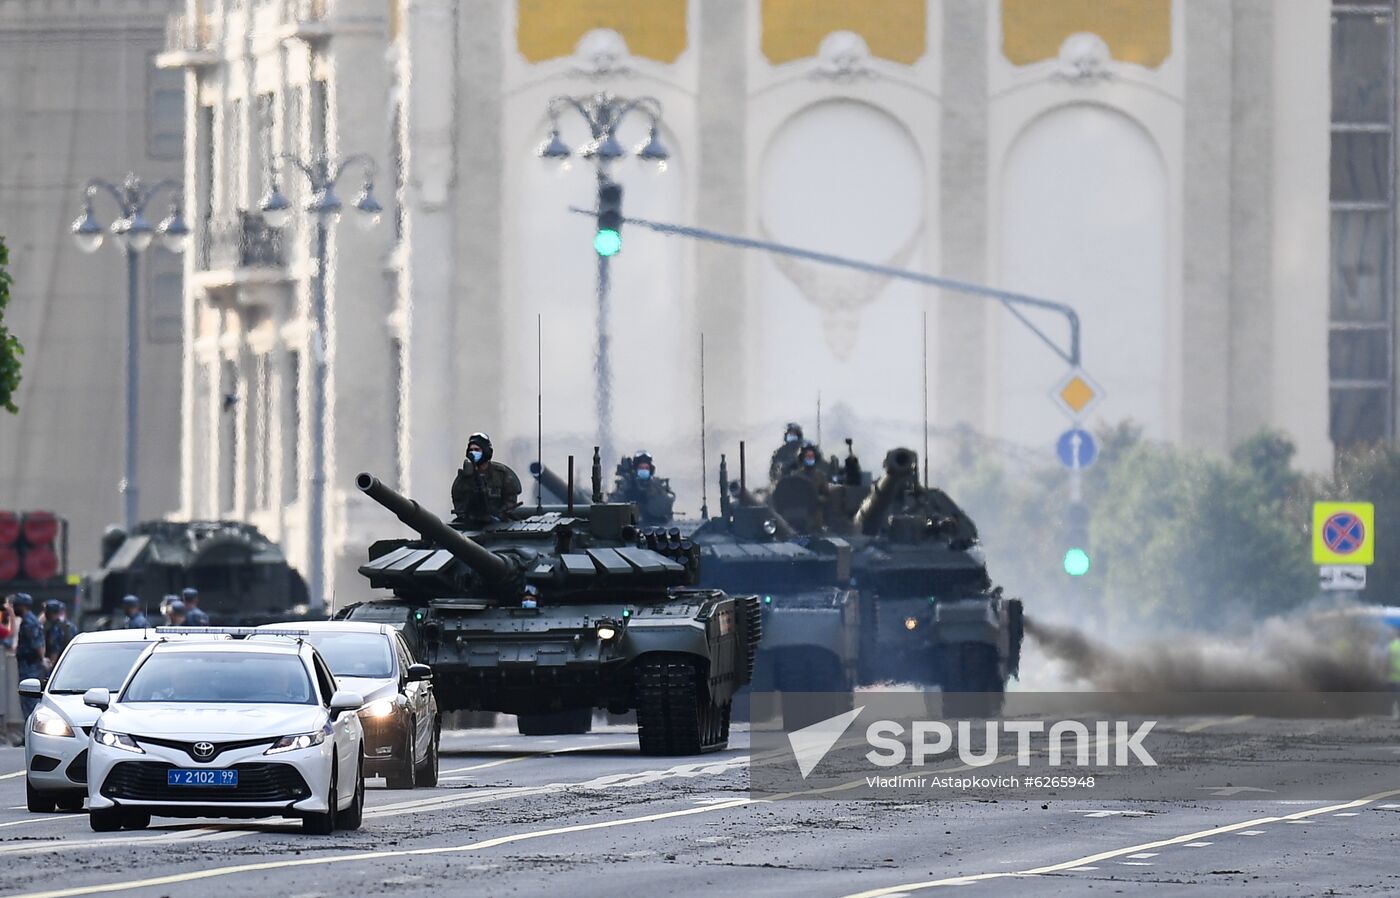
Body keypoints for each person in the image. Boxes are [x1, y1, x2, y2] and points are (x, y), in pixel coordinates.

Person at [450, 432, 522, 525]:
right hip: (471, 524)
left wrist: (500, 514)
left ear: (486, 451)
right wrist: (467, 516)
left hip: (499, 524)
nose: (473, 453)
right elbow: (458, 500)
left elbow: (511, 497)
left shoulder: (501, 474)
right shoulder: (464, 477)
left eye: (477, 450)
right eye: (471, 450)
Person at [608, 450, 676, 526]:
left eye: (646, 468)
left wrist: (649, 496)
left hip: (655, 525)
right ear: (635, 469)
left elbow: (665, 506)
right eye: (641, 467)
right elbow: (613, 506)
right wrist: (629, 494)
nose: (644, 470)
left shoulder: (657, 485)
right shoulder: (625, 484)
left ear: (651, 469)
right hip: (628, 527)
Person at [13, 594, 44, 723]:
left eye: (16, 605)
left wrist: (42, 659)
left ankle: (30, 731)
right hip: (28, 666)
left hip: (30, 667)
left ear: (22, 606)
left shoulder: (29, 623)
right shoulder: (28, 620)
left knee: (29, 701)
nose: (14, 608)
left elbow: (37, 645)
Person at [43, 600, 76, 667]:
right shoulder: (69, 625)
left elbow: (55, 650)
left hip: (60, 663)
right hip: (70, 661)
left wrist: (51, 665)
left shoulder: (55, 628)